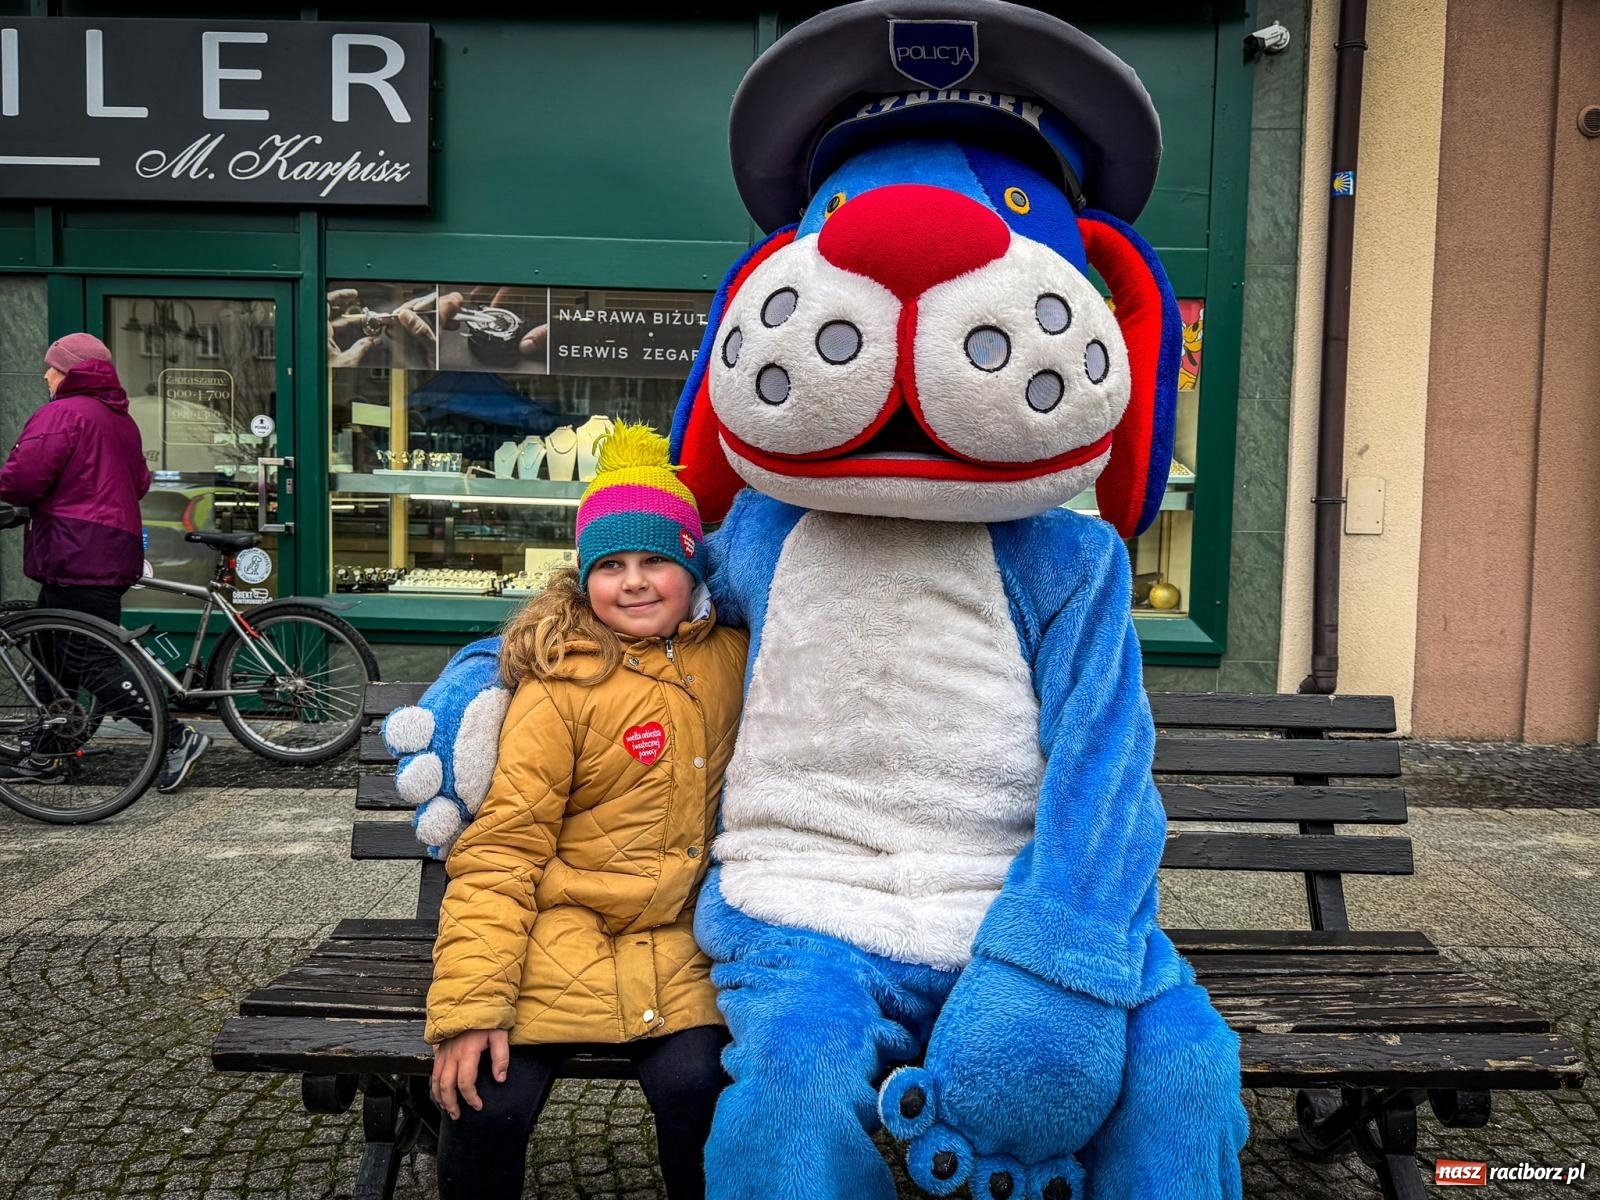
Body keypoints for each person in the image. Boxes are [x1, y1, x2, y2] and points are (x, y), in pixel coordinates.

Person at [426, 423, 748, 1200]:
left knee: (701, 1091)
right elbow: (503, 850)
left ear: (692, 567)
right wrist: (471, 1008)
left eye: (654, 561)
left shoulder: (735, 659)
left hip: (682, 945)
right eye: (610, 565)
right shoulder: (560, 685)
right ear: (584, 578)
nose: (633, 582)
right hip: (557, 938)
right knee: (488, 1101)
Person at [0, 333, 210, 791]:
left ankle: (177, 737)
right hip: (106, 549)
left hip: (76, 550)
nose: (46, 375)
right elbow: (139, 483)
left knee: (90, 659)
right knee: (51, 654)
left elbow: (22, 479)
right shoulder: (119, 419)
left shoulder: (62, 414)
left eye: (53, 367)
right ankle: (48, 754)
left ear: (70, 372)